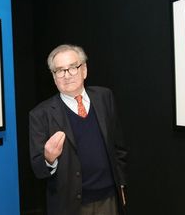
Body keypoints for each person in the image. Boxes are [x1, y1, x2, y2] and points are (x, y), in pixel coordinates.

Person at [29, 44, 128, 215]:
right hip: (70, 205)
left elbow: (119, 147)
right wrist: (49, 159)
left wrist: (121, 183)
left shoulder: (104, 97)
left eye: (73, 67)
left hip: (108, 198)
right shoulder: (40, 114)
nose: (67, 75)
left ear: (84, 70)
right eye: (60, 70)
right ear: (54, 77)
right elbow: (38, 169)